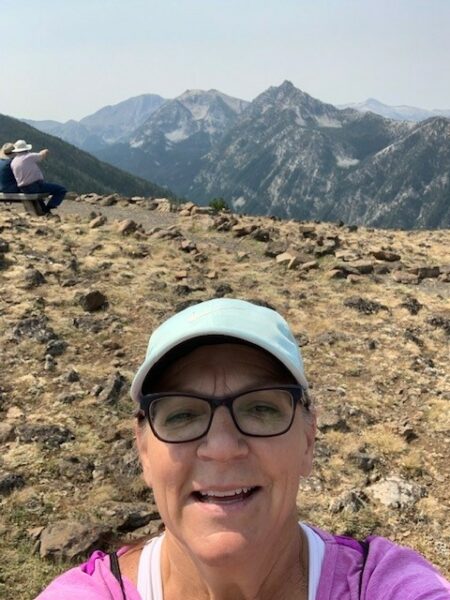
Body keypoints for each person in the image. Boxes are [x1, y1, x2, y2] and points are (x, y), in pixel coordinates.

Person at [36, 298, 450, 599]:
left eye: (260, 409)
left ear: (308, 439)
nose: (221, 447)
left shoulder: (383, 586)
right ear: (143, 450)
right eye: (182, 415)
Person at [10, 139, 66, 213]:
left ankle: (44, 211)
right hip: (35, 186)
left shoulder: (13, 162)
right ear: (26, 149)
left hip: (23, 188)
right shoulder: (29, 156)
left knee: (39, 198)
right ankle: (50, 206)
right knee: (61, 190)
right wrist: (45, 150)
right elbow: (41, 155)